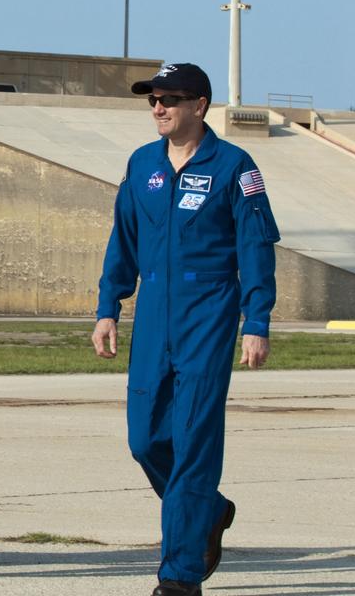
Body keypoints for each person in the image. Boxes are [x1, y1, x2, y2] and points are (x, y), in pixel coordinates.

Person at [92, 62, 280, 596]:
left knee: (194, 440)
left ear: (199, 105)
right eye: (153, 99)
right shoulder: (142, 164)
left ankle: (179, 574)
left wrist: (256, 319)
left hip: (209, 311)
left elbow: (255, 249)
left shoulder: (235, 166)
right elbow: (121, 242)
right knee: (145, 439)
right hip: (154, 313)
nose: (158, 107)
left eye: (170, 99)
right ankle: (209, 510)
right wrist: (109, 306)